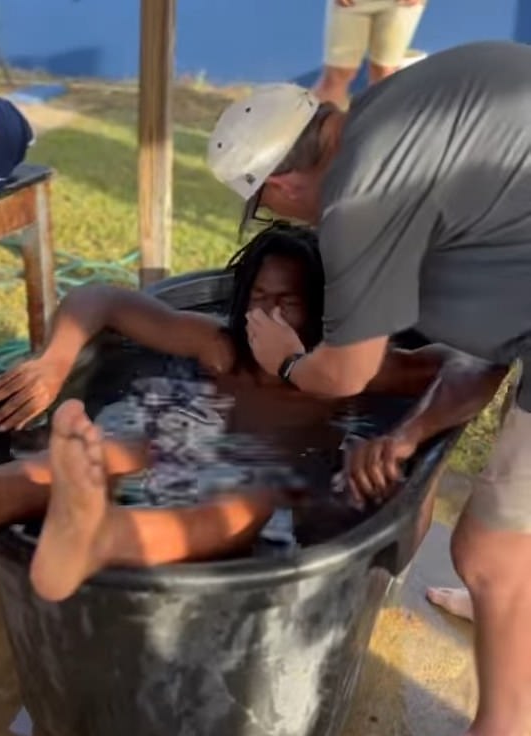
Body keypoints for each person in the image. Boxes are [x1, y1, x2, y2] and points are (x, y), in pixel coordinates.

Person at [0, 223, 502, 605]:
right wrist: (56, 360)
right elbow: (102, 299)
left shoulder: (353, 369)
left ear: (322, 314)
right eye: (257, 301)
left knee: (249, 497)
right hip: (187, 448)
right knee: (118, 448)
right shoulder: (221, 347)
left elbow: (473, 363)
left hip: (276, 489)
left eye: (287, 304)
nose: (267, 316)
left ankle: (101, 537)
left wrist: (404, 436)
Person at [207, 41, 531, 736]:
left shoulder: (358, 195)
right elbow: (491, 354)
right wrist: (409, 431)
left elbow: (346, 375)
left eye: (272, 210)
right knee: (516, 530)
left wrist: (288, 361)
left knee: (486, 551)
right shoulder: (387, 111)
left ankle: (507, 719)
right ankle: (512, 606)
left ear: (281, 188)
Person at [313, 0, 426, 108]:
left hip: (400, 5)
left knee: (385, 73)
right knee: (337, 75)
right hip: (352, 4)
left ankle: (380, 125)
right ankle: (314, 124)